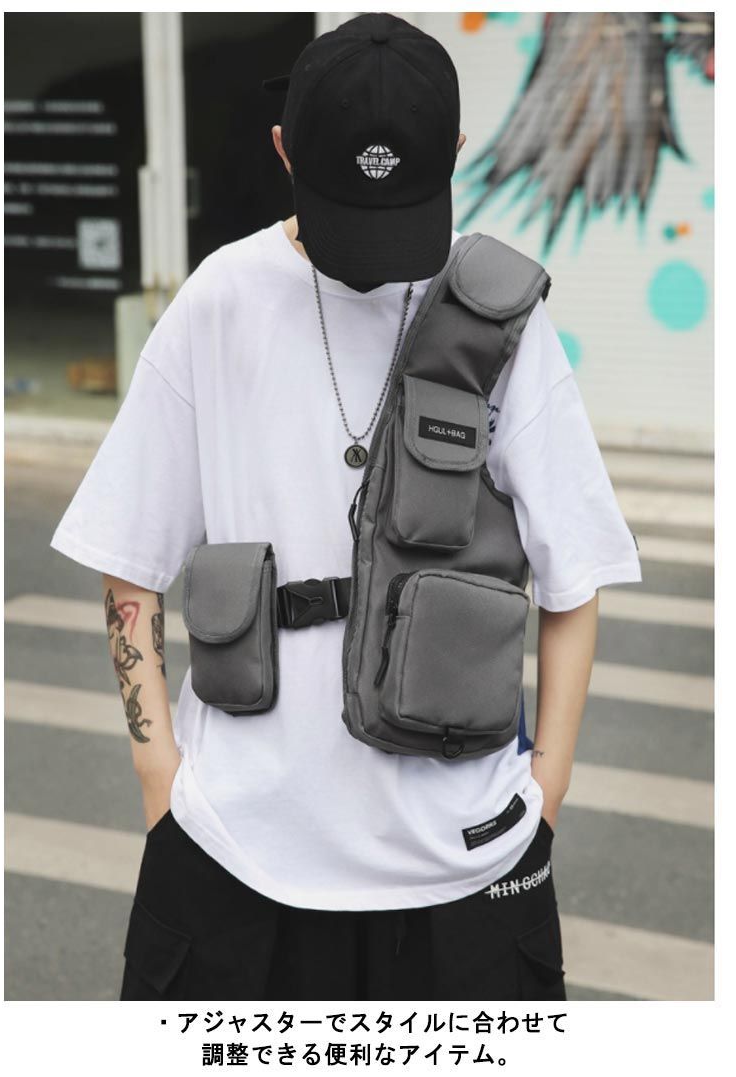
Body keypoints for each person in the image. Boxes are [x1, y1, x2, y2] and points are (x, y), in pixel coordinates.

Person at [50, 13, 641, 1001]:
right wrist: (162, 781)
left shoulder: (502, 318)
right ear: (284, 150)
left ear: (456, 152)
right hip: (234, 854)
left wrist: (546, 793)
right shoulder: (219, 301)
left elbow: (574, 577)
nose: (373, 255)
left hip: (467, 864)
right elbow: (129, 558)